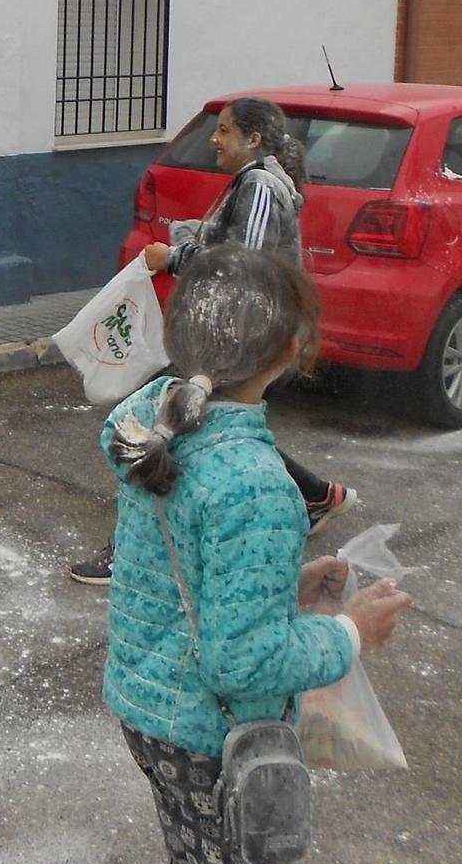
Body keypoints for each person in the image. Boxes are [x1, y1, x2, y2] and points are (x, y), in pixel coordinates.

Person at [102, 246, 412, 864]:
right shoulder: (257, 485)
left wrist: (282, 588)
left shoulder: (156, 423)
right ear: (291, 349)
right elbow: (242, 663)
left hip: (148, 709)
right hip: (209, 737)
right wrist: (351, 631)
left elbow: (178, 567)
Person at [69, 97, 356, 585]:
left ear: (254, 140)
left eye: (224, 131)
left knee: (167, 422)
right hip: (235, 335)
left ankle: (131, 552)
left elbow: (245, 260)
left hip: (250, 340)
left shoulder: (262, 183)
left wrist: (176, 257)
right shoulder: (249, 182)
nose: (214, 140)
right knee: (213, 423)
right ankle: (315, 494)